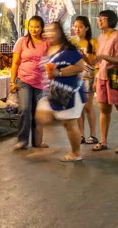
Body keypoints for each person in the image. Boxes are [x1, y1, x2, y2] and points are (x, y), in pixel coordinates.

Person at [35, 22, 86, 162]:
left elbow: (80, 67)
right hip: (54, 92)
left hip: (69, 92)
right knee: (51, 118)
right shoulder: (49, 49)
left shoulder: (68, 50)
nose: (49, 33)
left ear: (60, 32)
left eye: (52, 30)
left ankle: (76, 153)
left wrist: (59, 72)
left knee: (70, 124)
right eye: (47, 30)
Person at [93, 10, 118, 154]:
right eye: (99, 18)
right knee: (104, 109)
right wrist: (96, 76)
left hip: (116, 77)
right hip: (102, 77)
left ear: (110, 20)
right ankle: (103, 141)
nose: (99, 21)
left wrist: (103, 56)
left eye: (101, 18)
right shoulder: (101, 37)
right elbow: (98, 62)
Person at [10, 16, 49, 150]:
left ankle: (38, 141)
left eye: (37, 26)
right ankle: (22, 140)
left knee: (38, 113)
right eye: (31, 26)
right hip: (24, 80)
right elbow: (15, 63)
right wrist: (12, 82)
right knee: (25, 109)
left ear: (42, 27)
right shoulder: (22, 41)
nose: (34, 29)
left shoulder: (47, 43)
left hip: (41, 82)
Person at [70, 16, 99, 145]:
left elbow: (94, 63)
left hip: (88, 77)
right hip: (75, 78)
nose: (77, 29)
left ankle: (93, 134)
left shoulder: (92, 42)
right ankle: (81, 134)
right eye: (75, 27)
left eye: (80, 27)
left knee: (88, 106)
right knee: (79, 108)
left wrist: (84, 57)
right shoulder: (71, 42)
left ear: (87, 28)